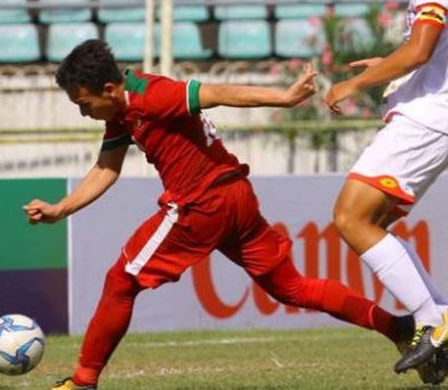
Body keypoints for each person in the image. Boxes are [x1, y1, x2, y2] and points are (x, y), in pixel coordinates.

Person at [24, 39, 422, 390]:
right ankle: (398, 327)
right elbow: (107, 168)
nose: (82, 112)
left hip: (201, 204)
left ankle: (83, 380)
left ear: (108, 89)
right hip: (235, 196)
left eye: (82, 104)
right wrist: (61, 209)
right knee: (292, 288)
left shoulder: (153, 95)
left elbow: (216, 91)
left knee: (121, 280)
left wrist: (282, 98)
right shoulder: (119, 109)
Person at [324, 0, 448, 375]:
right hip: (433, 119)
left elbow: (419, 52)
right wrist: (390, 64)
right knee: (369, 220)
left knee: (351, 217)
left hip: (425, 120)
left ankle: (434, 322)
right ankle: (435, 322)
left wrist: (354, 83)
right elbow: (429, 55)